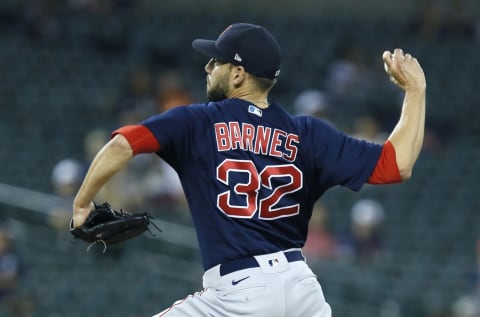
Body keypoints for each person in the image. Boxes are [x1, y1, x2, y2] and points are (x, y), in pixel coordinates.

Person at [72, 23, 426, 316]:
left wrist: (82, 204)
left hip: (240, 292)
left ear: (238, 73)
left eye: (217, 62)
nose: (208, 67)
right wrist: (416, 91)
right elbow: (396, 165)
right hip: (302, 291)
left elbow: (122, 144)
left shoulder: (197, 122)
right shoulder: (308, 133)